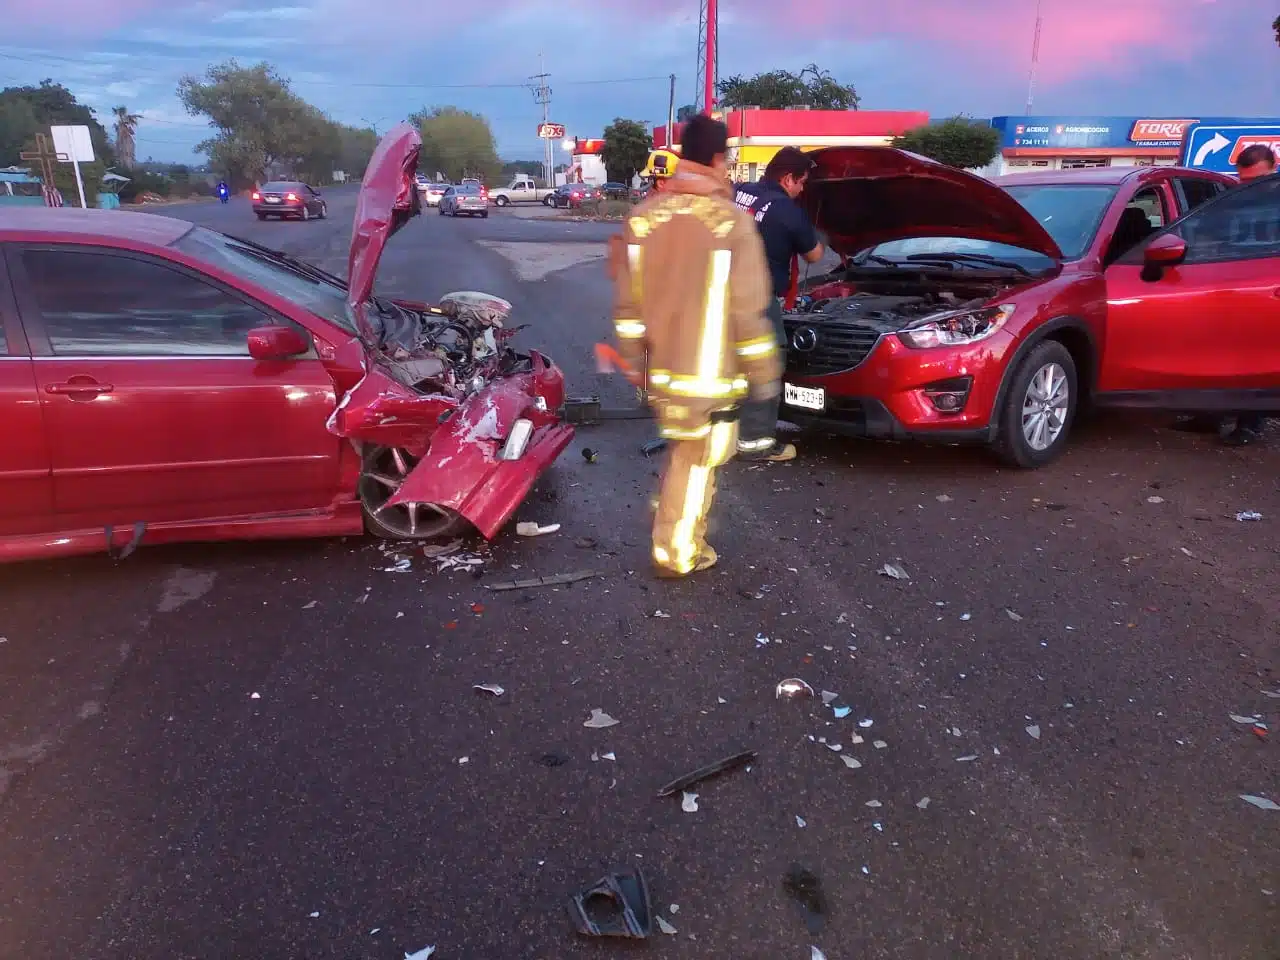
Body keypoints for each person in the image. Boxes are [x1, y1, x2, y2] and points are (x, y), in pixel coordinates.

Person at [611, 114, 782, 578]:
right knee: (697, 461)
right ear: (717, 158)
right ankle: (677, 552)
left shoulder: (642, 219)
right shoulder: (731, 224)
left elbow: (628, 307)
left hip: (662, 370)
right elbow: (748, 313)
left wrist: (637, 368)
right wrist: (765, 375)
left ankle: (678, 534)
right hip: (710, 377)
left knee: (685, 455)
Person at [729, 147, 826, 461]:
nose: (802, 189)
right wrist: (817, 231)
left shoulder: (740, 192)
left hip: (719, 295)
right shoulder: (787, 210)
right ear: (787, 178)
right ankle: (756, 441)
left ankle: (725, 432)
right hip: (756, 301)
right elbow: (814, 256)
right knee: (764, 366)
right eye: (802, 183)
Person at [1222, 144, 1276, 445]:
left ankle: (1250, 423)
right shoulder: (1235, 200)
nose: (1250, 187)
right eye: (1244, 180)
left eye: (1258, 179)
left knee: (1257, 357)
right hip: (1232, 286)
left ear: (1274, 167)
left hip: (1268, 290)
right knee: (1225, 354)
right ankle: (1210, 416)